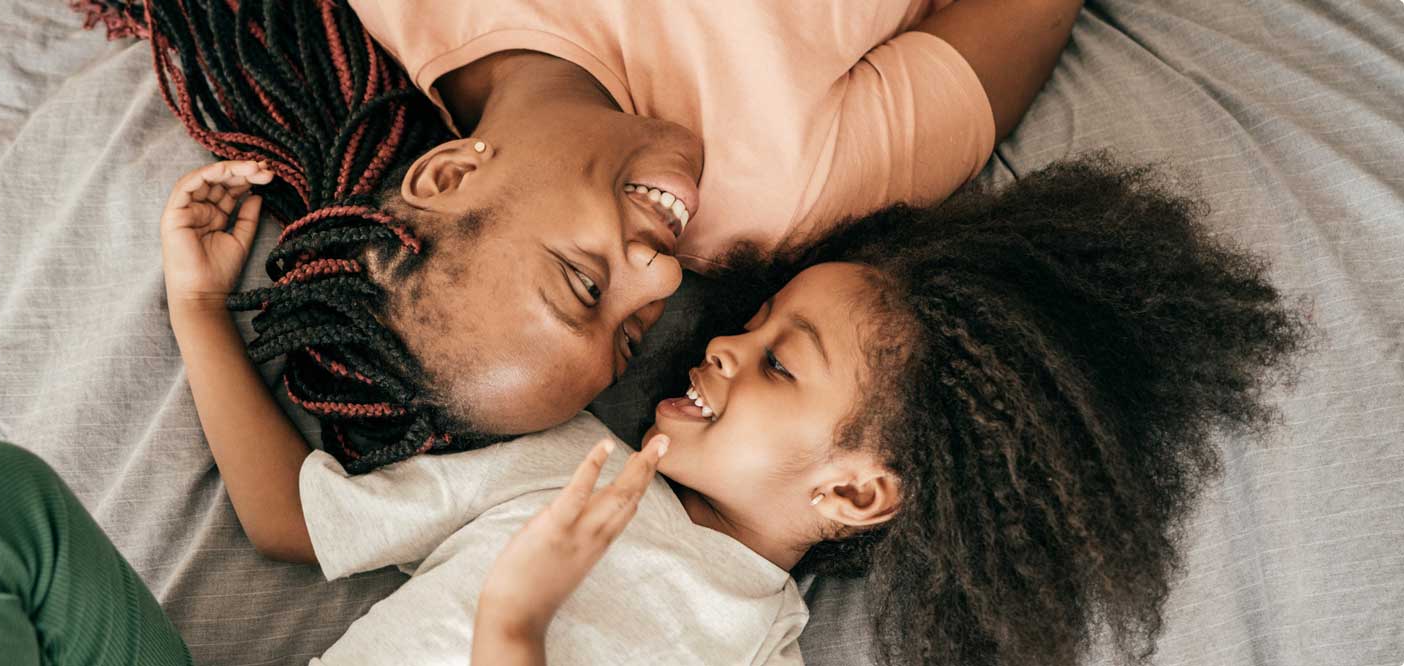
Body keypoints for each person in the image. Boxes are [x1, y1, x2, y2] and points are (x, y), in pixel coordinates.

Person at [0, 155, 1306, 665]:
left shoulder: (750, 656)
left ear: (858, 489)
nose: (722, 350)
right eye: (752, 325)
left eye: (780, 364)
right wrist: (201, 304)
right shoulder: (575, 459)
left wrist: (516, 625)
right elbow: (289, 516)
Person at [74, 0, 1082, 472]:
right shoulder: (787, 190)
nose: (654, 274)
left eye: (581, 281)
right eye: (635, 333)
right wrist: (196, 310)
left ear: (451, 174)